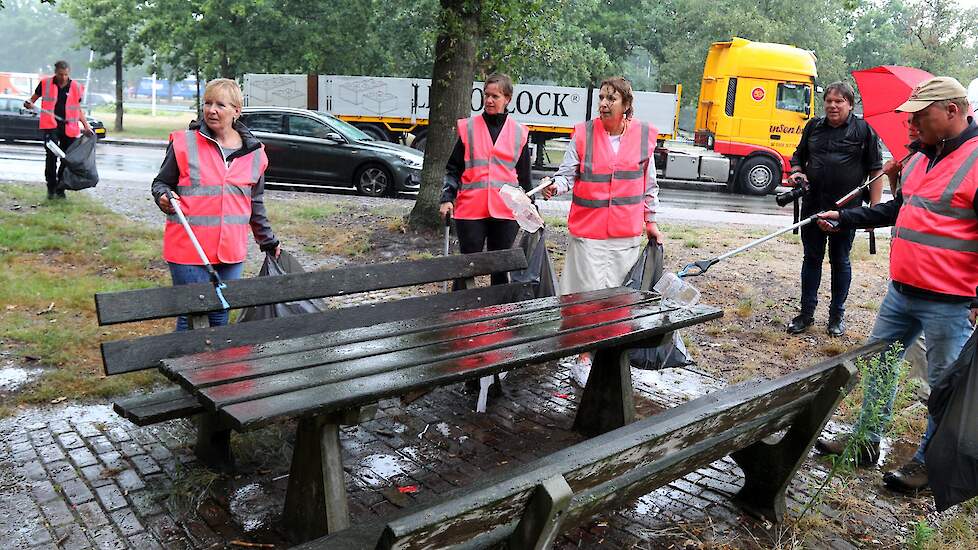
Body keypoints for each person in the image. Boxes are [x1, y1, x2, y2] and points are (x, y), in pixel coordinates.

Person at [815, 76, 978, 493]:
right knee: (880, 366)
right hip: (902, 292)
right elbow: (900, 211)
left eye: (922, 115)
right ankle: (867, 442)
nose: (914, 123)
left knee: (944, 387)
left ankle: (929, 463)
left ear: (953, 112)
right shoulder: (922, 157)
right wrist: (846, 218)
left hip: (950, 301)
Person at [541, 76, 661, 385]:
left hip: (624, 235)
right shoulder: (584, 135)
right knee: (587, 299)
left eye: (612, 99)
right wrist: (556, 187)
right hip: (589, 234)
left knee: (619, 302)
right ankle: (582, 358)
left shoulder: (643, 136)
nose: (604, 104)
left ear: (626, 106)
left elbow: (649, 186)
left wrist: (651, 222)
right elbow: (567, 174)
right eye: (602, 98)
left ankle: (610, 358)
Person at [151, 78, 281, 331]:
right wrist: (163, 197)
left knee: (221, 312)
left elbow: (255, 203)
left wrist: (268, 241)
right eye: (207, 103)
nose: (211, 110)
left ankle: (214, 369)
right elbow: (161, 183)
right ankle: (186, 366)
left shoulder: (255, 154)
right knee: (193, 314)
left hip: (230, 251)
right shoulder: (184, 143)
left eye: (220, 105)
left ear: (236, 111)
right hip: (188, 248)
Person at [786, 82, 884, 337]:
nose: (832, 105)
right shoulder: (813, 127)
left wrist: (874, 210)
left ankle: (836, 317)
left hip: (846, 211)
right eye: (829, 100)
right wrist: (797, 173)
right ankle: (806, 314)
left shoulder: (863, 131)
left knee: (840, 262)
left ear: (850, 104)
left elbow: (876, 170)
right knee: (811, 259)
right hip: (813, 205)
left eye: (839, 101)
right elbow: (798, 156)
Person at [439, 73, 532, 286]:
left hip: (506, 211)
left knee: (500, 270)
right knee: (467, 267)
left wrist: (531, 208)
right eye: (486, 95)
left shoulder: (519, 133)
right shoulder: (469, 128)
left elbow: (525, 179)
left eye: (495, 96)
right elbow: (453, 169)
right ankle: (459, 313)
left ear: (507, 98)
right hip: (471, 210)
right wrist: (446, 198)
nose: (489, 100)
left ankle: (498, 317)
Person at [23, 60, 93, 200]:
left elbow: (77, 109)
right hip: (51, 126)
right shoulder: (45, 84)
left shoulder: (76, 87)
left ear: (69, 73)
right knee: (51, 158)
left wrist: (86, 126)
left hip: (70, 128)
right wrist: (28, 104)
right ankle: (51, 188)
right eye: (60, 74)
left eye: (66, 75)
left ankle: (61, 188)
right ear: (55, 72)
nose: (63, 78)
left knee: (66, 160)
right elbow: (32, 101)